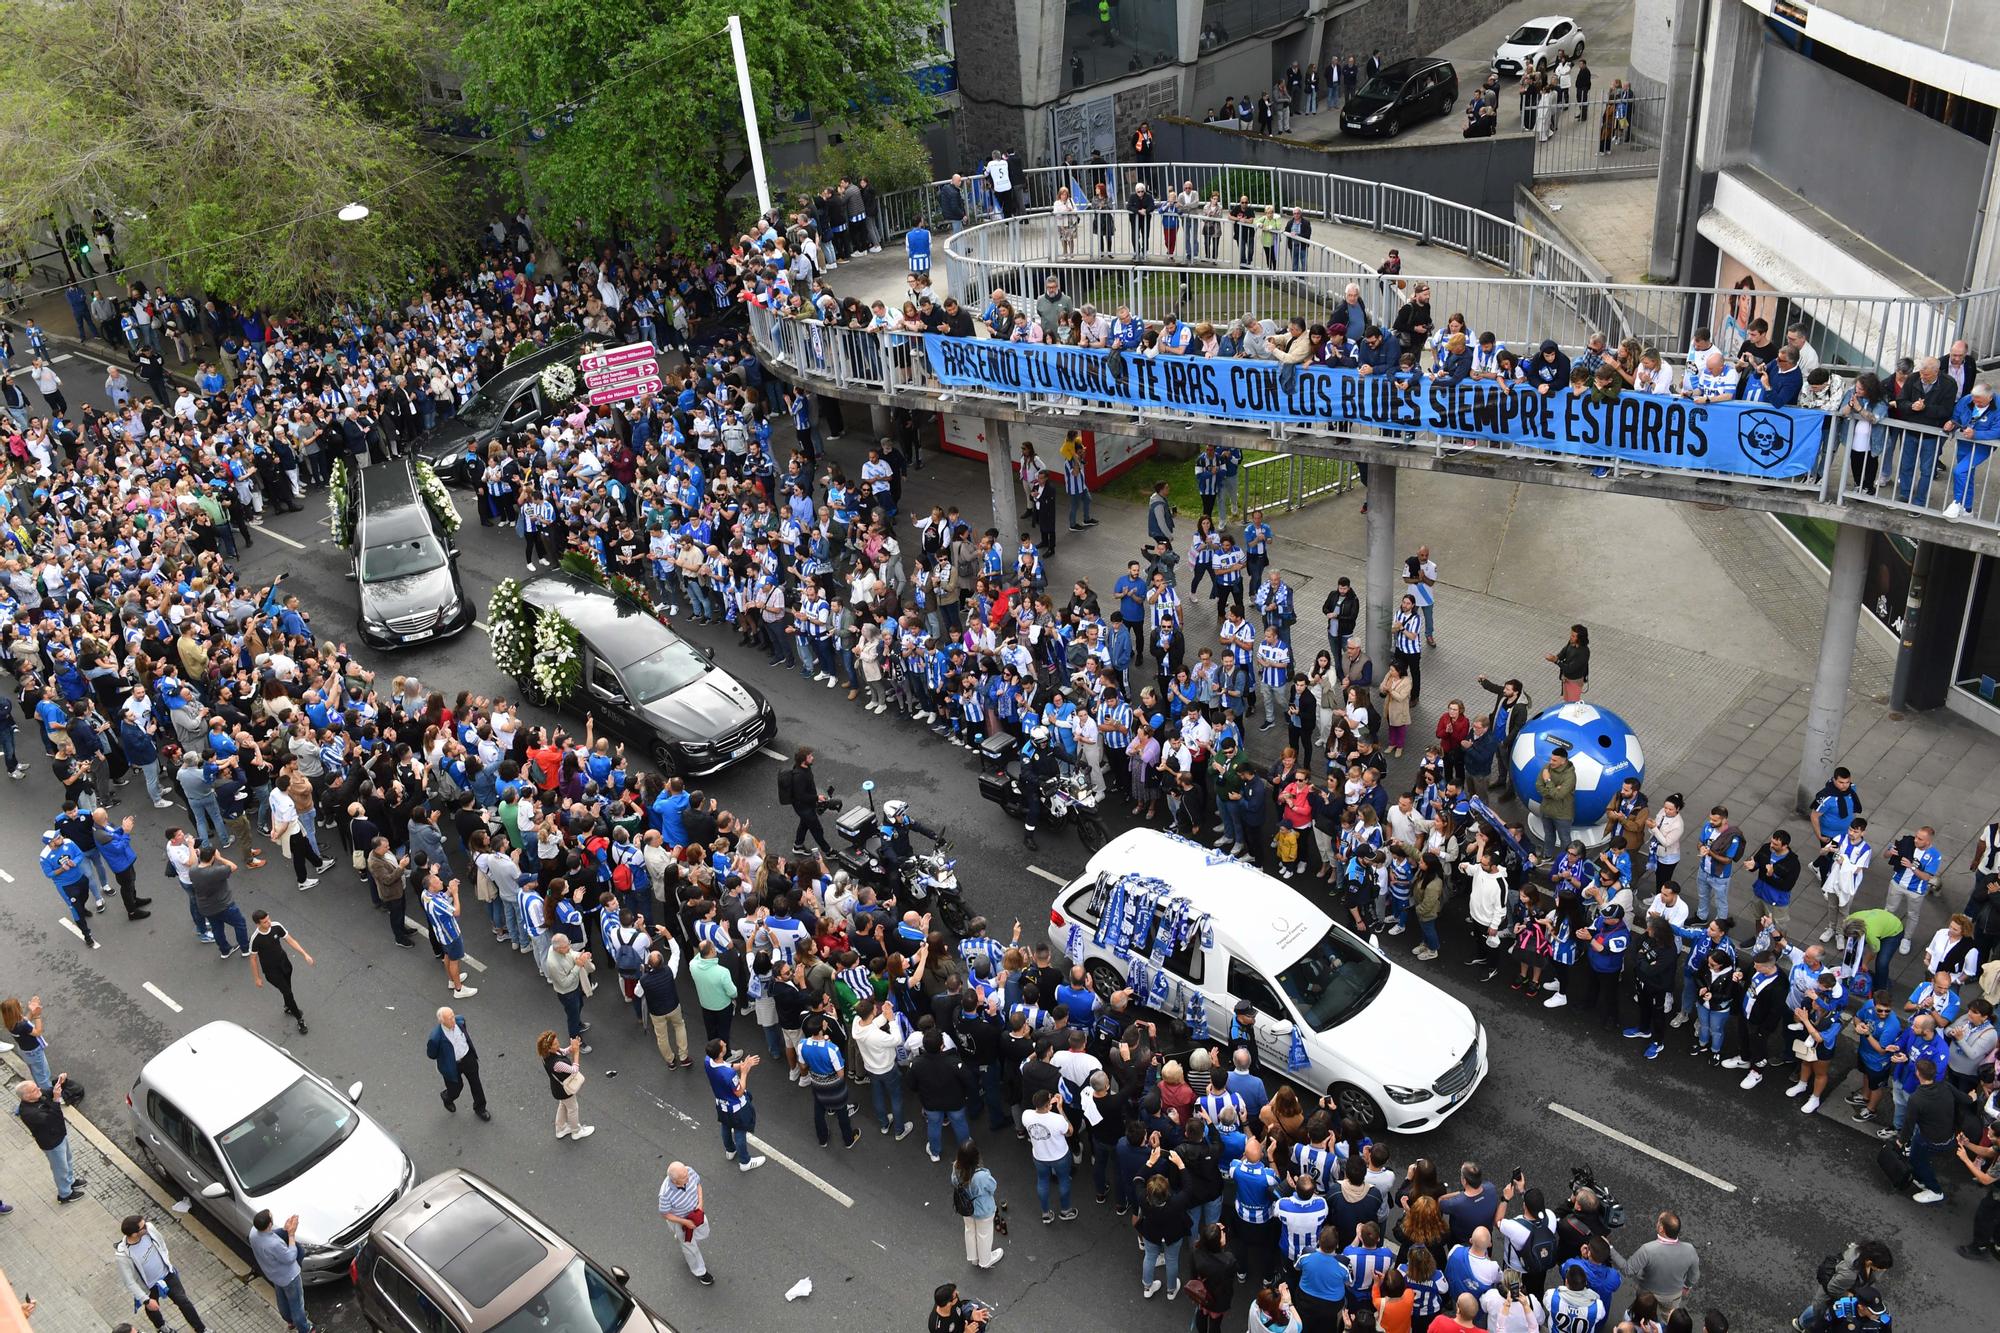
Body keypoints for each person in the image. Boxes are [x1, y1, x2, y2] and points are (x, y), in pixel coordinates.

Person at [116, 1214, 209, 1333]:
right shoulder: (123, 1255)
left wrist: (167, 1262)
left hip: (167, 1275)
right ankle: (161, 1327)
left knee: (183, 1301)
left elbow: (161, 1243)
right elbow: (129, 1282)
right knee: (152, 1308)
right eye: (142, 1226)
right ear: (134, 1234)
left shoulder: (149, 1229)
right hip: (149, 1286)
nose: (147, 1226)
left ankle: (201, 1329)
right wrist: (146, 1300)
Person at [12, 1077, 84, 1201]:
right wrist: (56, 1100)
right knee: (60, 1168)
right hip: (52, 1143)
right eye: (35, 1089)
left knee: (68, 1160)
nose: (39, 1089)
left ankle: (70, 1181)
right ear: (27, 1097)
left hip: (60, 1134)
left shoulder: (38, 1096)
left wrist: (60, 1082)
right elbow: (52, 1118)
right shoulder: (29, 1113)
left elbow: (50, 1091)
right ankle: (65, 1194)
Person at [704, 1039, 768, 1171]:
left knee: (725, 1127)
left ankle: (730, 1150)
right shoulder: (728, 1074)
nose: (726, 1045)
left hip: (721, 1105)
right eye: (723, 1046)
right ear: (721, 1053)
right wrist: (744, 1072)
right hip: (736, 1108)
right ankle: (745, 1162)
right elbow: (739, 1092)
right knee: (740, 1131)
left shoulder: (708, 1061)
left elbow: (725, 1065)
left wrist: (741, 1065)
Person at [246, 910, 314, 1035]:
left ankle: (287, 1006)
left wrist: (305, 954)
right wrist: (257, 978)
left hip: (285, 963)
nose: (269, 922)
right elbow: (253, 959)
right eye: (265, 922)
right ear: (258, 924)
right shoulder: (255, 939)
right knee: (288, 992)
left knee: (287, 988)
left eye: (269, 919)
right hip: (272, 971)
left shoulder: (276, 926)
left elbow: (290, 940)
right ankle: (299, 1019)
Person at [249, 1209, 313, 1333]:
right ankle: (305, 1329)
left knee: (282, 1300)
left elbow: (271, 1234)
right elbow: (290, 1257)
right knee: (297, 1305)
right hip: (290, 1277)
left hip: (274, 1274)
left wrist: (284, 1230)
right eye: (270, 1216)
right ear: (269, 1224)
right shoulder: (273, 1244)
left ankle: (289, 1321)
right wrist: (291, 1234)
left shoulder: (253, 1233)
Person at [426, 1006, 491, 1120]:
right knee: (455, 1089)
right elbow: (431, 1054)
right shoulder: (435, 1038)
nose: (453, 1020)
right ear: (442, 1021)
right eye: (449, 1019)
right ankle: (447, 1097)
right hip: (451, 1065)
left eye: (453, 1016)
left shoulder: (460, 1021)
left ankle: (480, 1108)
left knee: (476, 1084)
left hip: (467, 1058)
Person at [659, 1161, 714, 1285]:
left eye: (687, 1173)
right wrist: (685, 1222)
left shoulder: (688, 1171)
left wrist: (700, 1204)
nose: (688, 1177)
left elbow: (698, 1185)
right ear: (675, 1181)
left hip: (696, 1213)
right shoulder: (665, 1194)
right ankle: (700, 1272)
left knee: (704, 1232)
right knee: (690, 1247)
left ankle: (681, 1238)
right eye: (684, 1178)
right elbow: (665, 1214)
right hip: (681, 1222)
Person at [954, 1140, 1005, 1268]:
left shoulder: (956, 1168)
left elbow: (953, 1182)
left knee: (970, 1230)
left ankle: (974, 1258)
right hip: (983, 1210)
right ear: (976, 1157)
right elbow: (992, 1187)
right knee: (984, 1234)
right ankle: (985, 1260)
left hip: (965, 1207)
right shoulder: (981, 1176)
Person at [539, 1029, 593, 1141]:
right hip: (564, 1090)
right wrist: (577, 1052)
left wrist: (573, 1046)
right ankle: (576, 1131)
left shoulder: (548, 1055)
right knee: (573, 1108)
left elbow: (563, 1051)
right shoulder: (557, 1064)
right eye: (555, 1044)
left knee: (563, 1105)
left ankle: (561, 1129)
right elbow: (574, 1070)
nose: (558, 1044)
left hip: (558, 1089)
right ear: (548, 1048)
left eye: (557, 1041)